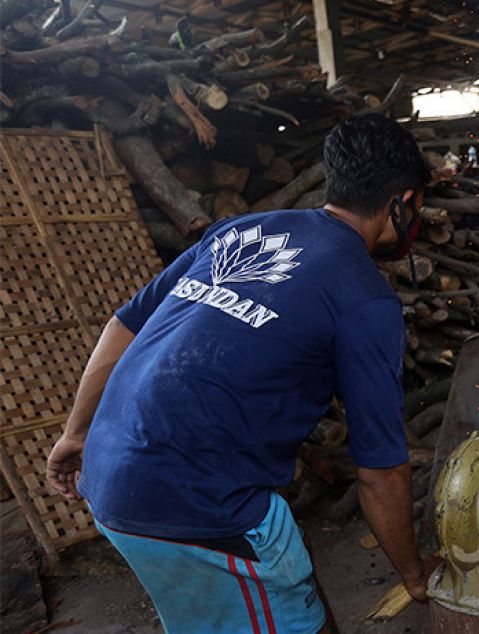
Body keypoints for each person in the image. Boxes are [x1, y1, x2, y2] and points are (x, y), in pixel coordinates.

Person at [46, 114, 435, 634]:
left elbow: (124, 325)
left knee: (271, 578)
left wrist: (77, 432)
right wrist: (413, 574)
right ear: (402, 203)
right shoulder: (365, 297)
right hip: (194, 502)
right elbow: (381, 471)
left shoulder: (242, 228)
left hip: (106, 470)